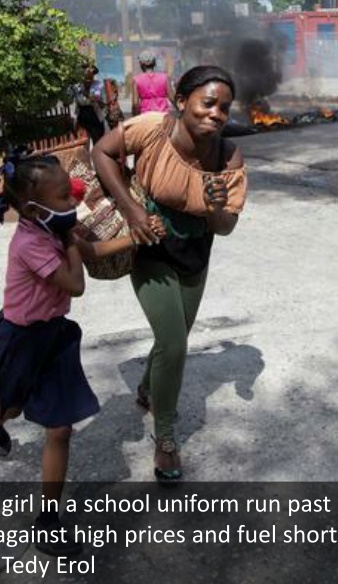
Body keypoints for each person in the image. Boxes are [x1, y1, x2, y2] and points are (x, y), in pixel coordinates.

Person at [0, 147, 141, 553]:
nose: (73, 200)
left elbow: (91, 252)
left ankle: (47, 520)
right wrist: (71, 237)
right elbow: (76, 283)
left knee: (59, 428)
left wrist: (136, 237)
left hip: (54, 338)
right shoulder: (30, 242)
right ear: (33, 210)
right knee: (12, 408)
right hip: (20, 340)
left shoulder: (52, 224)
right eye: (63, 197)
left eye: (69, 192)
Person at [92, 66, 247, 483]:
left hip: (195, 253)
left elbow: (225, 228)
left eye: (224, 108)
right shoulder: (152, 129)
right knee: (175, 344)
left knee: (170, 341)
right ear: (181, 101)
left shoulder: (228, 155)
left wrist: (215, 207)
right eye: (208, 103)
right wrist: (131, 209)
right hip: (149, 248)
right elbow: (101, 153)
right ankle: (165, 439)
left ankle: (147, 389)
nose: (216, 114)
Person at [131, 50, 173, 117]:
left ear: (141, 64)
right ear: (154, 63)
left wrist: (135, 117)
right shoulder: (165, 77)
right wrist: (181, 110)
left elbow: (135, 103)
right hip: (163, 116)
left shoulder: (136, 80)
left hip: (146, 117)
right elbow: (172, 98)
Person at [74, 64, 107, 144]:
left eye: (91, 75)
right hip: (82, 116)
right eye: (86, 75)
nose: (88, 78)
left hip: (95, 116)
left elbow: (103, 105)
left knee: (98, 142)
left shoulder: (99, 85)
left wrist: (96, 100)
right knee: (83, 143)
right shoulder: (77, 86)